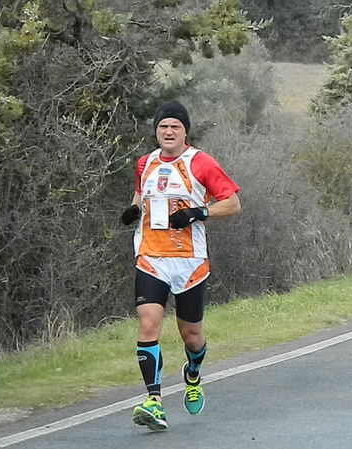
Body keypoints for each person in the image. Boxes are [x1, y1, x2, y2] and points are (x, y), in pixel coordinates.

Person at [121, 101, 241, 430]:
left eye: (175, 126)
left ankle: (192, 374)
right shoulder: (144, 163)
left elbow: (232, 204)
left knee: (191, 336)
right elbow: (140, 194)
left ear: (185, 131)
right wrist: (133, 210)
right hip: (150, 257)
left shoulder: (200, 163)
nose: (168, 132)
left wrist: (198, 212)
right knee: (148, 323)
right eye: (163, 127)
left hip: (189, 262)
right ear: (156, 131)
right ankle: (154, 401)